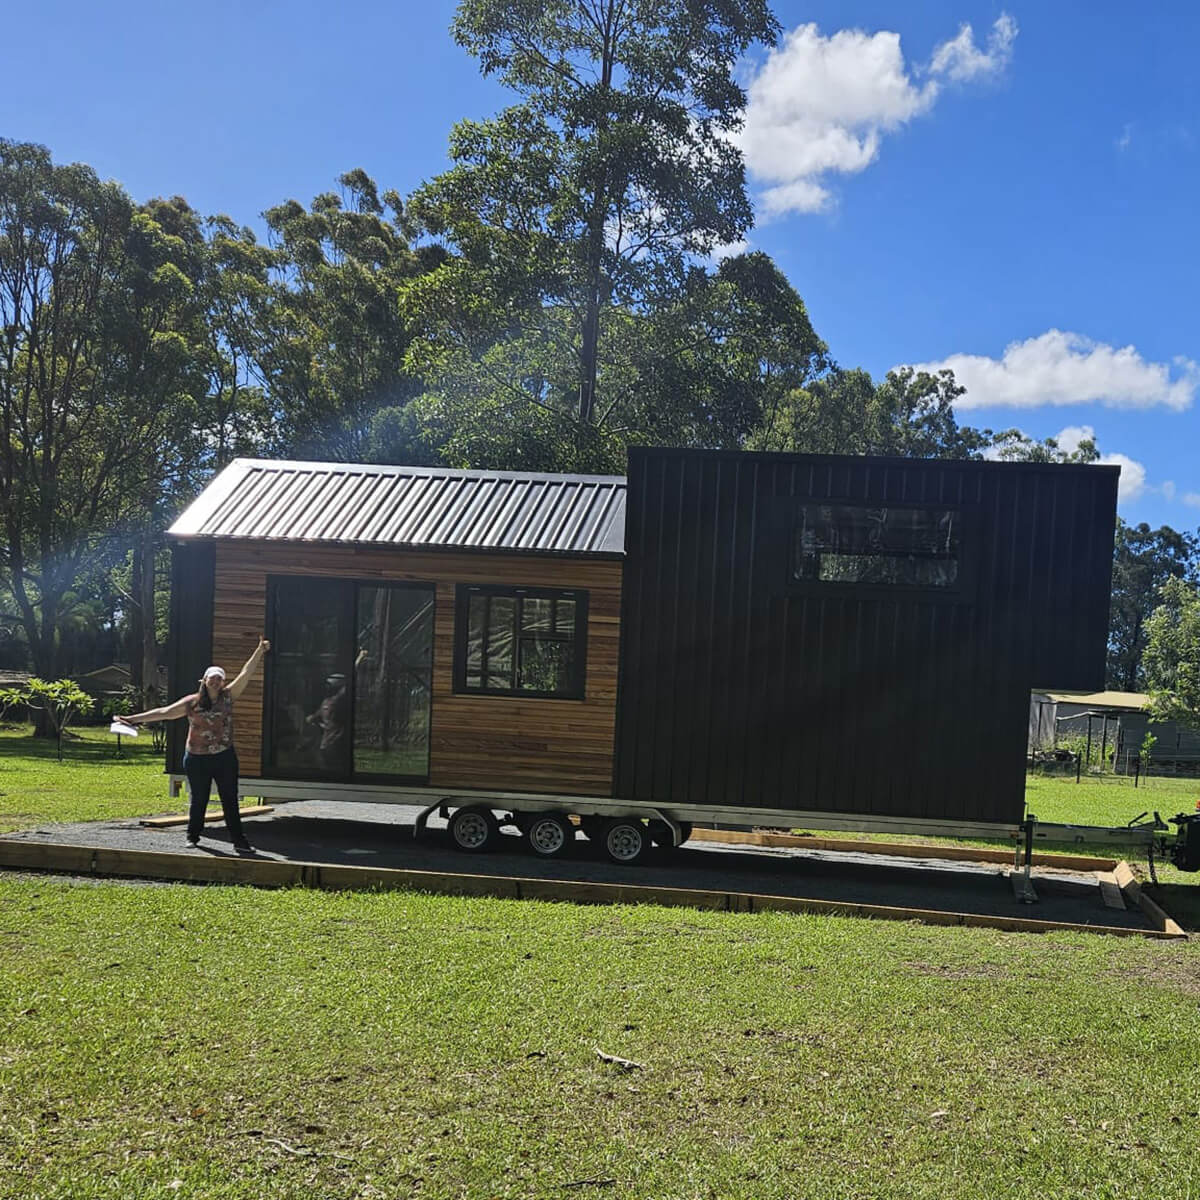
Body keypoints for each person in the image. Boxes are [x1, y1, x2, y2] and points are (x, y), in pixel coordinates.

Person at [126, 638, 270, 851]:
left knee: (230, 799)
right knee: (199, 799)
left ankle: (239, 842)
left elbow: (245, 674)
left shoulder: (229, 697)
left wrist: (259, 651)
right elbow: (164, 713)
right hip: (196, 758)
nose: (215, 682)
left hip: (224, 757)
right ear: (203, 680)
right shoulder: (191, 702)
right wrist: (131, 719)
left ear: (223, 682)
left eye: (219, 679)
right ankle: (192, 837)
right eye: (212, 678)